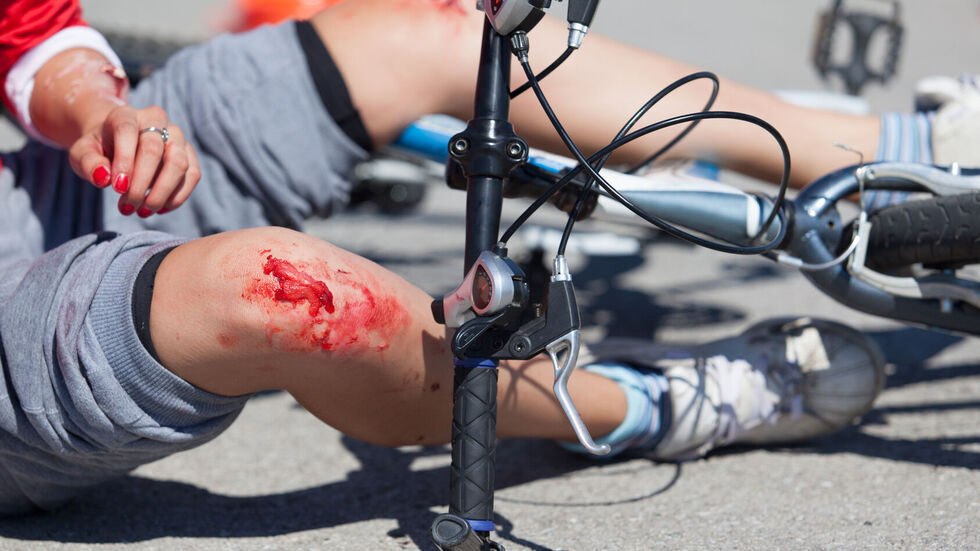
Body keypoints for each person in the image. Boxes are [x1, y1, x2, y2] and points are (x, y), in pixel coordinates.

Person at [15, 0, 980, 516]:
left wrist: (98, 103)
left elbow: (32, 34)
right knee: (287, 295)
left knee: (432, 32)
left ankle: (896, 151)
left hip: (48, 179)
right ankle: (649, 404)